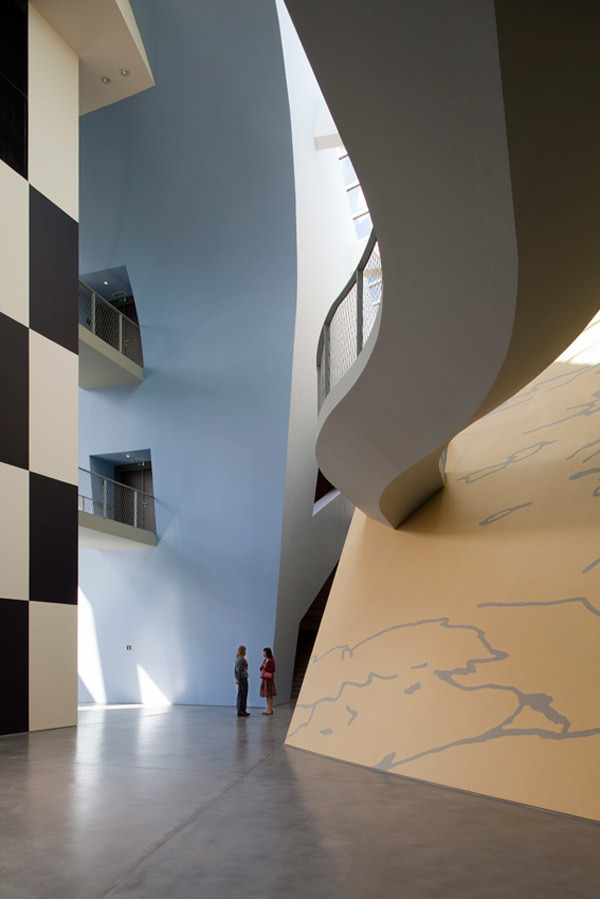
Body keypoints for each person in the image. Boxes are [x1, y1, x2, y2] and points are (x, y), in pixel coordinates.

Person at [259, 647, 276, 715]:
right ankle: (268, 709)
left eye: (264, 652)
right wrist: (262, 667)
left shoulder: (271, 660)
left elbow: (273, 669)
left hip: (268, 679)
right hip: (264, 678)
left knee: (269, 695)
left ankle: (270, 709)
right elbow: (262, 669)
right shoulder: (265, 660)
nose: (263, 653)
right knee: (267, 695)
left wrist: (266, 668)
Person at [234, 645, 250, 717]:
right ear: (243, 651)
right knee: (243, 695)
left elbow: (235, 670)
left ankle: (241, 710)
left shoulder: (238, 659)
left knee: (241, 694)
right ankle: (241, 711)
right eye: (245, 650)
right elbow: (239, 670)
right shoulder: (241, 660)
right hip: (243, 679)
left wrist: (237, 678)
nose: (246, 651)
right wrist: (238, 679)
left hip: (241, 678)